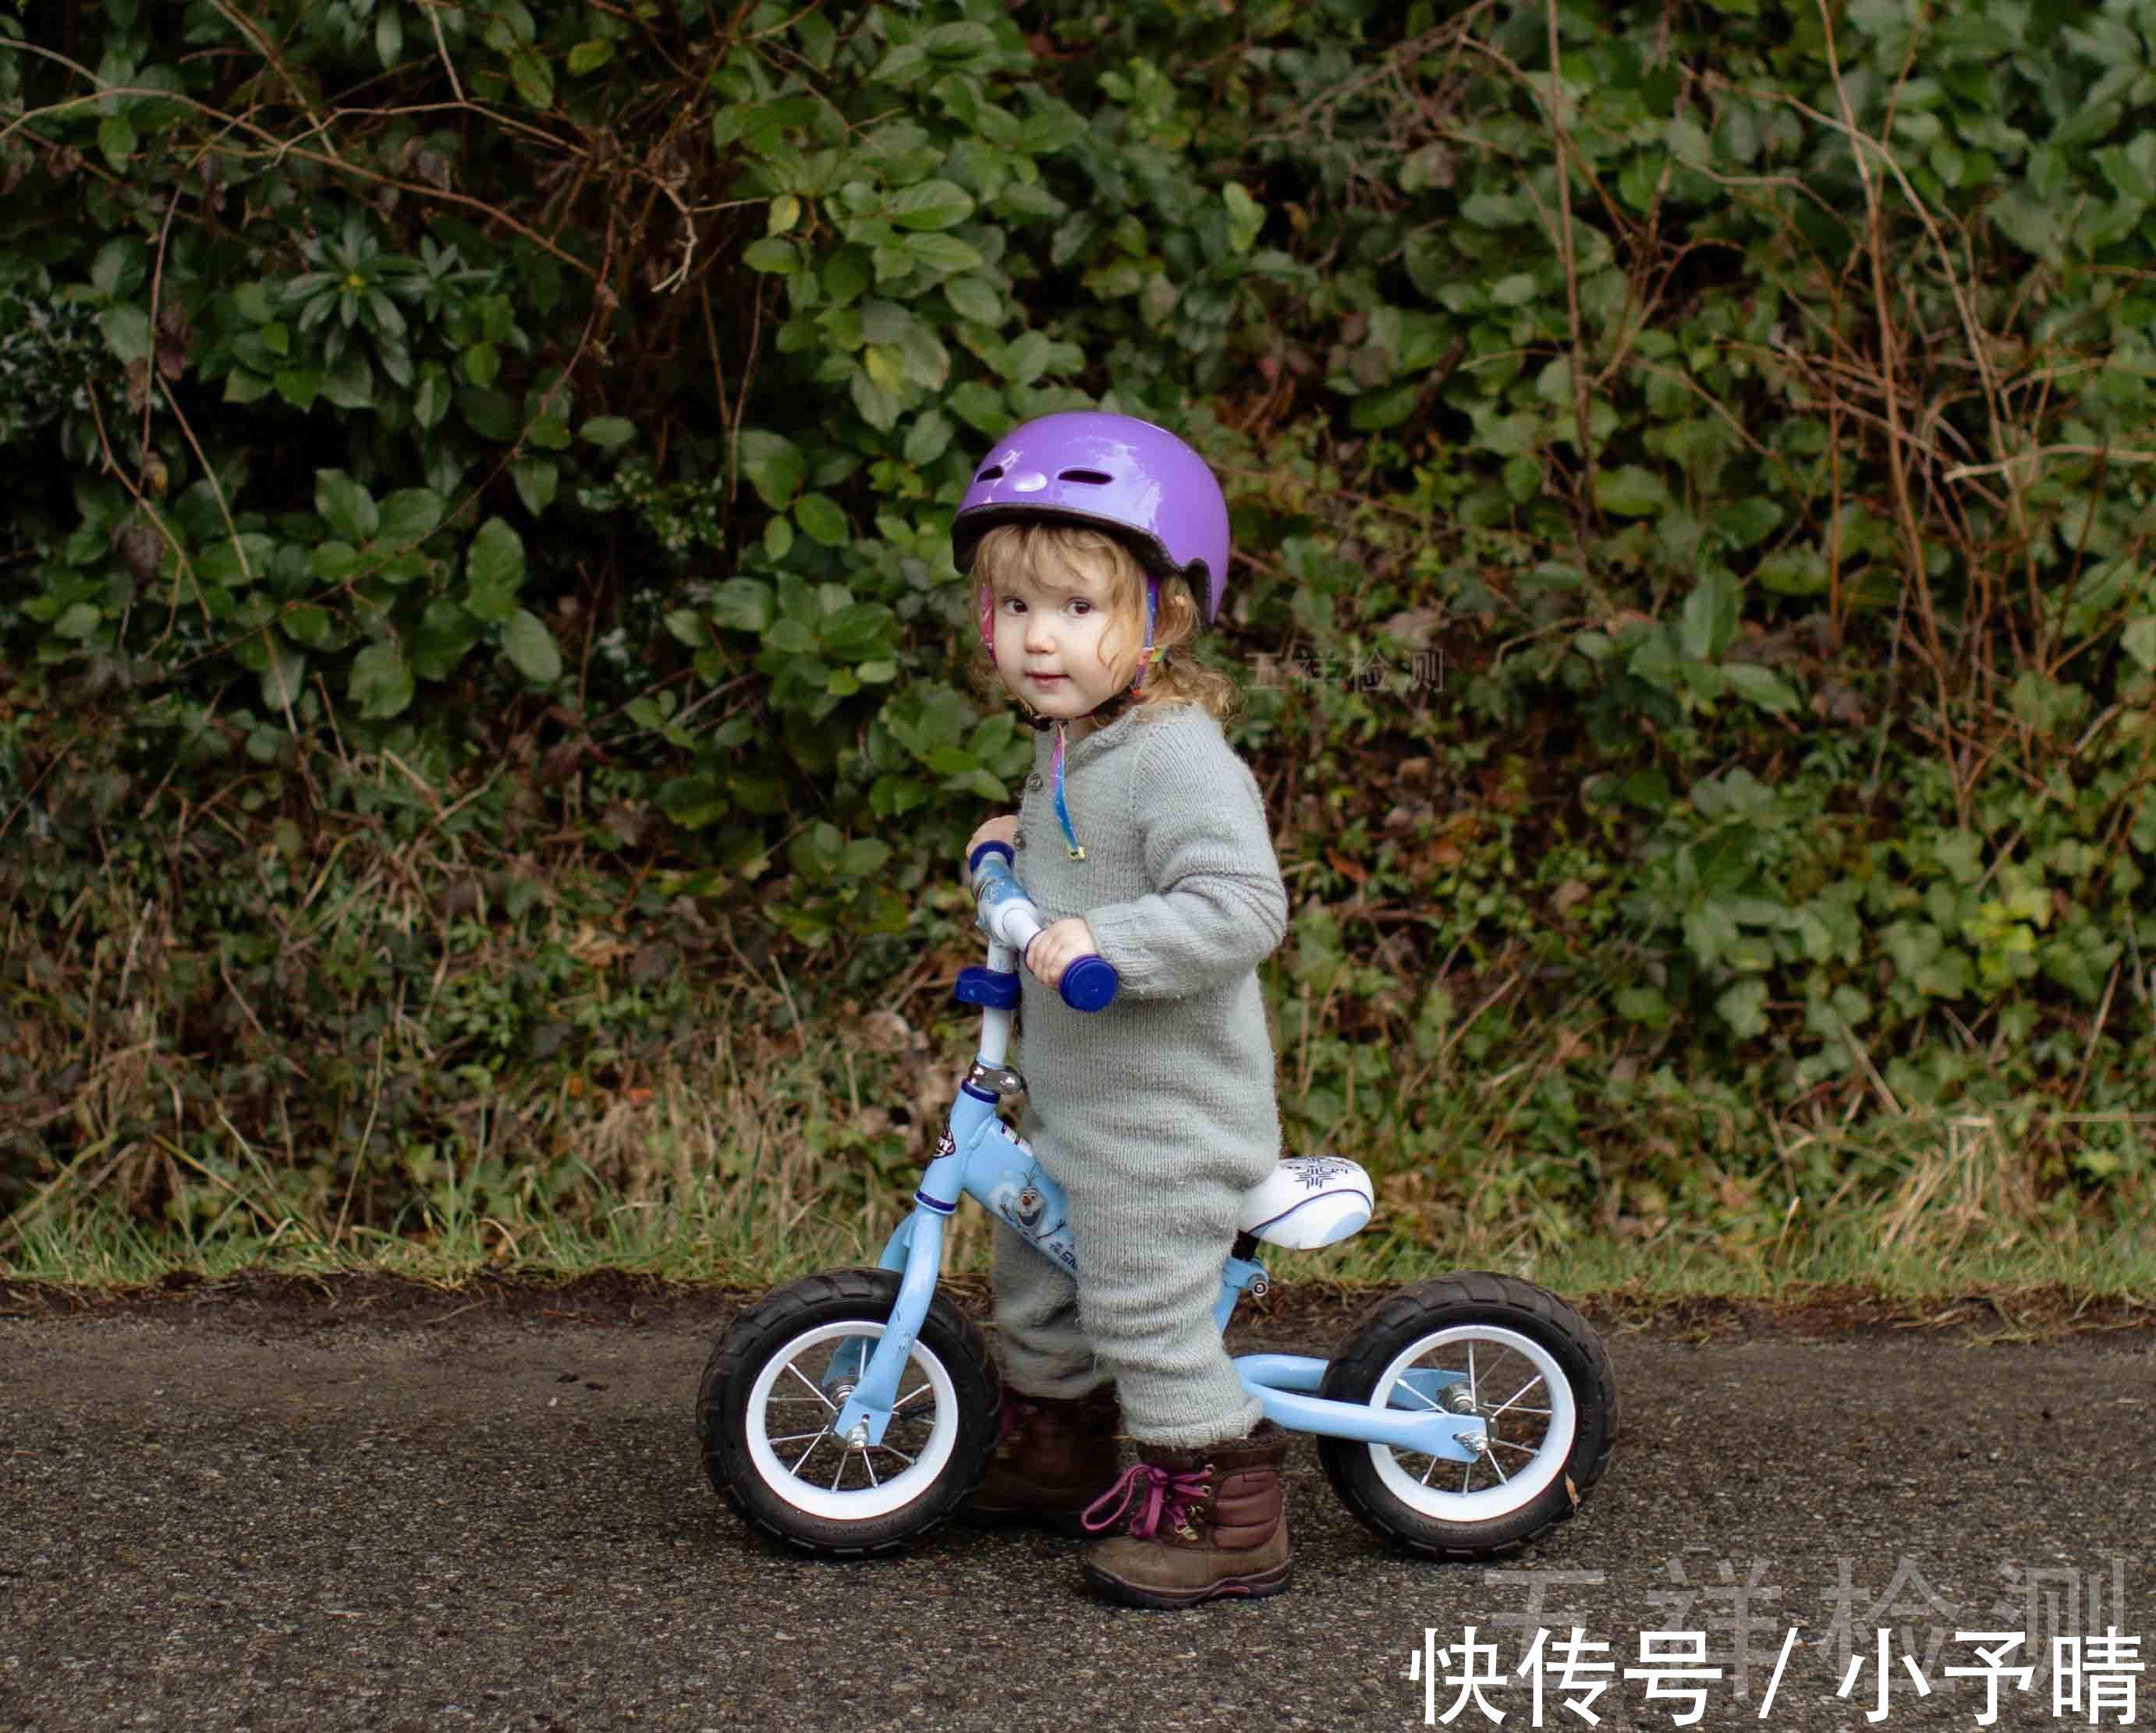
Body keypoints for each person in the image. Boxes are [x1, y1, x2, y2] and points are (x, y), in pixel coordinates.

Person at [952, 410, 1293, 1609]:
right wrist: (1013, 852)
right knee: (1036, 1276)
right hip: (1080, 1108)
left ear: (1165, 615)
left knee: (1142, 1298)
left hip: (1169, 1123)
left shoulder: (1177, 756)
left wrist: (1109, 937)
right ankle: (1057, 1446)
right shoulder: (1069, 744)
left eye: (1078, 608)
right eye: (1015, 609)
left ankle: (1224, 1499)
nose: (1040, 639)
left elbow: (1245, 905)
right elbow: (1069, 863)